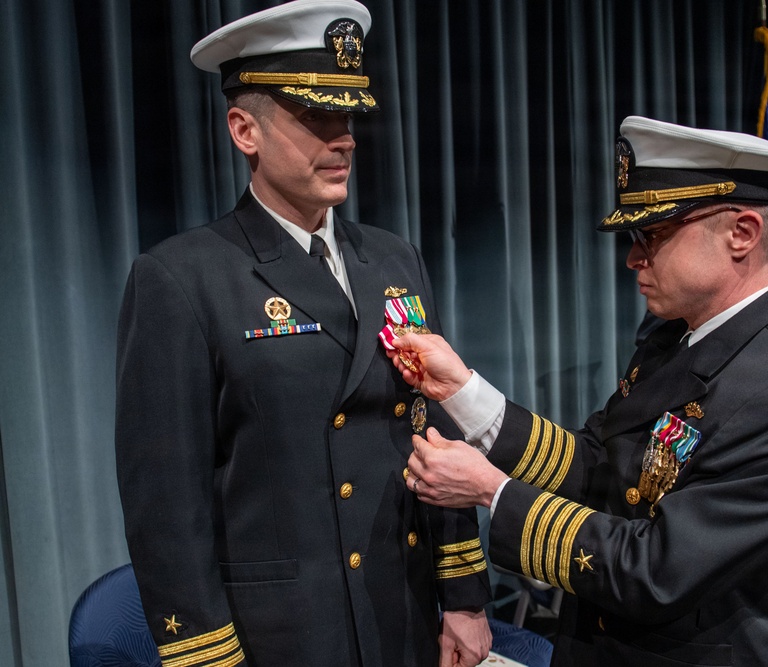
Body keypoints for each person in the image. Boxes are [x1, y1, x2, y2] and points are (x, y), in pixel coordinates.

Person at [392, 117, 768, 666]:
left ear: (744, 233)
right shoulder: (674, 338)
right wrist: (463, 390)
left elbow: (659, 571)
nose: (634, 258)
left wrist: (493, 492)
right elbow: (596, 464)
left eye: (653, 234)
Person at [115, 2, 491, 666]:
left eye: (346, 116)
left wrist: (462, 594)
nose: (342, 138)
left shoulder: (394, 260)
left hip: (400, 615)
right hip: (285, 638)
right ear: (243, 130)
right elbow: (167, 506)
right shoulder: (183, 278)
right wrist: (207, 656)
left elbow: (436, 430)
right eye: (315, 117)